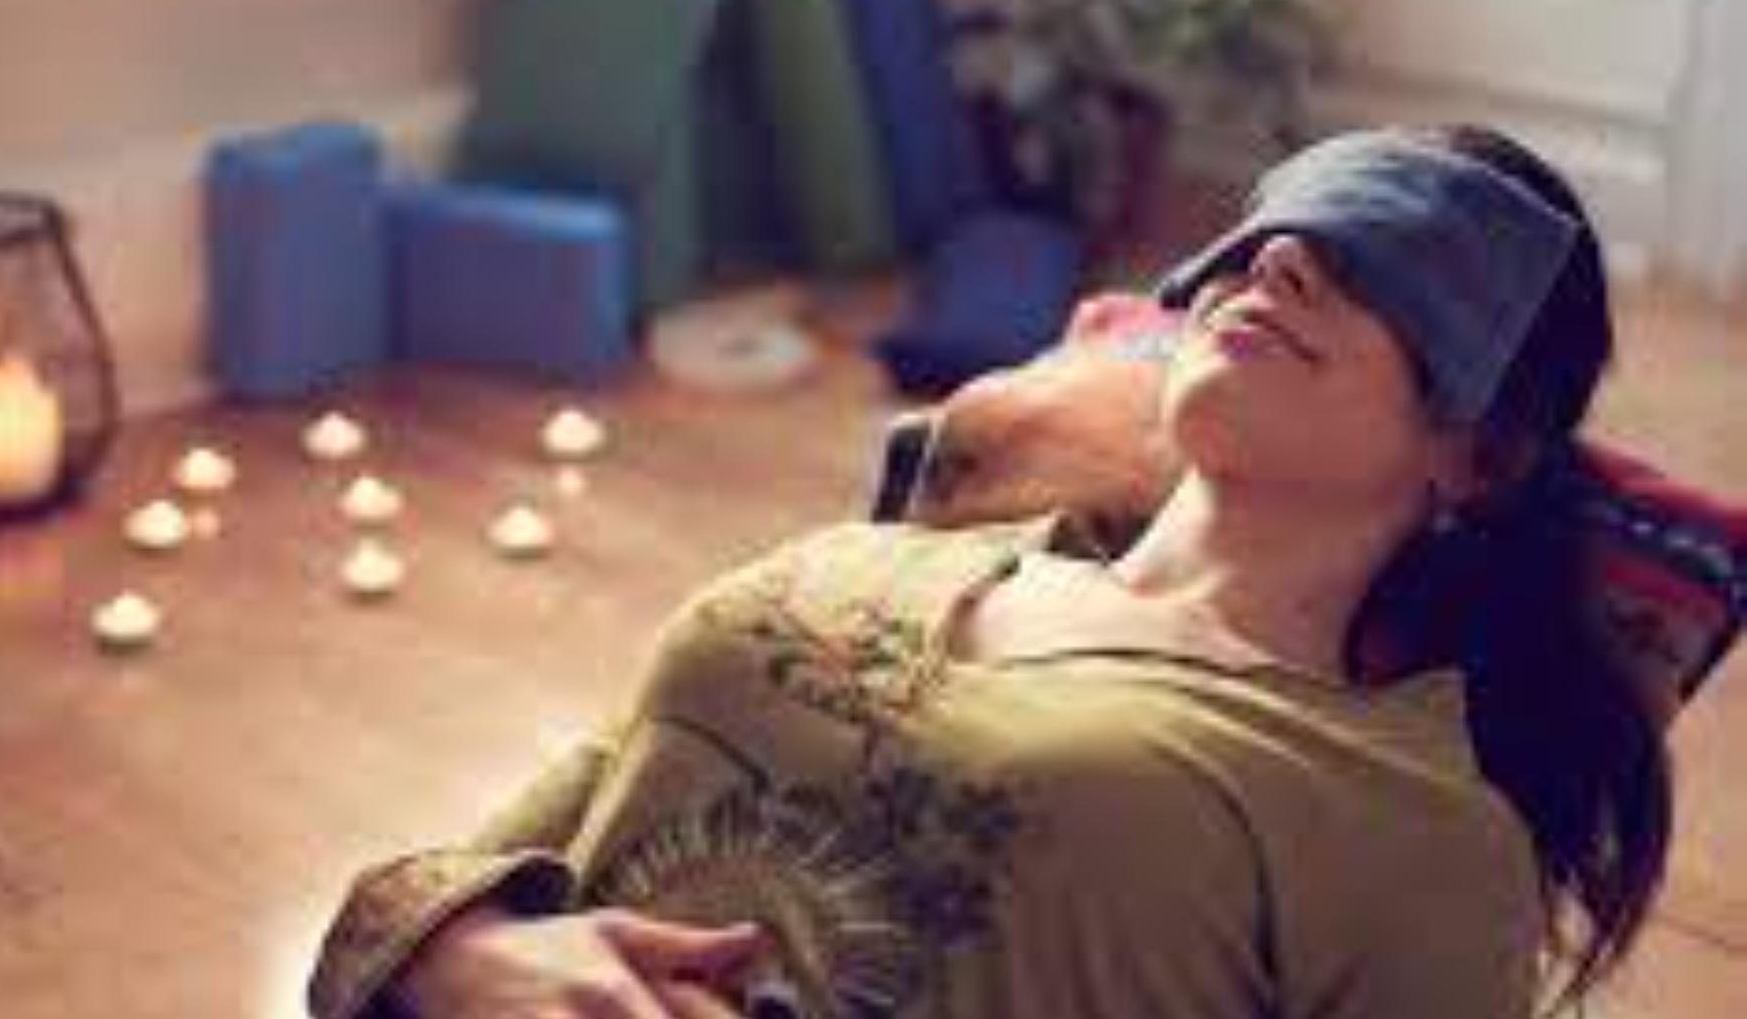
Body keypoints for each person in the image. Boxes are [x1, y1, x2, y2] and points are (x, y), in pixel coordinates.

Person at [307, 125, 1672, 1019]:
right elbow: (510, 844)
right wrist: (465, 952)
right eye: (1269, 235)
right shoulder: (861, 562)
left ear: (1483, 456)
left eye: (1387, 265)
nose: (1284, 258)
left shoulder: (1409, 829)